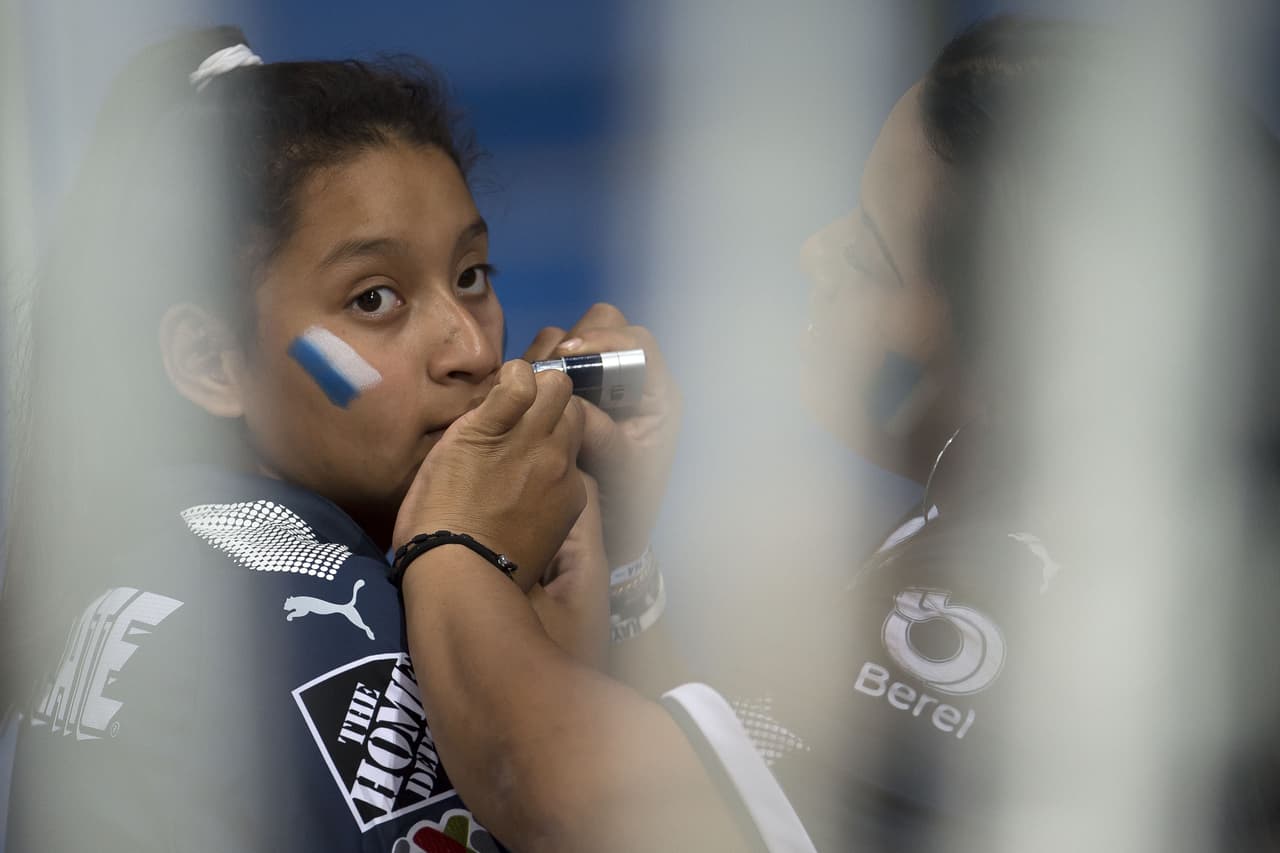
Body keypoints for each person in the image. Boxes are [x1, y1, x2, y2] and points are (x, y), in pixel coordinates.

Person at [390, 13, 1280, 852]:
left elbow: (577, 800)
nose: (815, 252)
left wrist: (451, 539)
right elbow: (764, 795)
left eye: (868, 255)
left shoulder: (1025, 589)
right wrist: (624, 565)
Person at [0, 26, 685, 852]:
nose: (470, 347)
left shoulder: (149, 554)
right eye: (374, 299)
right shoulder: (347, 631)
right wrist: (478, 574)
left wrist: (615, 551)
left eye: (471, 276)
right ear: (213, 361)